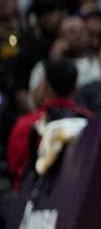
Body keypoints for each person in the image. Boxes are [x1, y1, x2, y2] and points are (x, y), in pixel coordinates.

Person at [7, 58, 90, 189]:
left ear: (45, 87)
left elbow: (15, 171)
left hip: (33, 202)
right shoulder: (89, 122)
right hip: (76, 199)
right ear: (75, 89)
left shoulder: (26, 125)